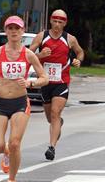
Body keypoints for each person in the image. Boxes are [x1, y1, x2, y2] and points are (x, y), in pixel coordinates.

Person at [0, 16, 48, 182]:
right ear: (6, 32)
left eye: (17, 29)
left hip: (20, 102)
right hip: (0, 102)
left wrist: (30, 83)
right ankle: (6, 151)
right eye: (10, 29)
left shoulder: (28, 54)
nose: (14, 32)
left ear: (22, 31)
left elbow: (44, 78)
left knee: (15, 142)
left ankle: (11, 181)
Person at [29, 10, 85, 161]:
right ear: (50, 21)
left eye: (61, 22)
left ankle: (51, 147)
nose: (57, 25)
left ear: (65, 23)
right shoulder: (42, 36)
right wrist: (40, 55)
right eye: (55, 21)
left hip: (62, 82)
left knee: (55, 112)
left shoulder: (70, 39)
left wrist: (78, 60)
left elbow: (80, 52)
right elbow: (27, 54)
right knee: (50, 118)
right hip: (45, 82)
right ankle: (58, 124)